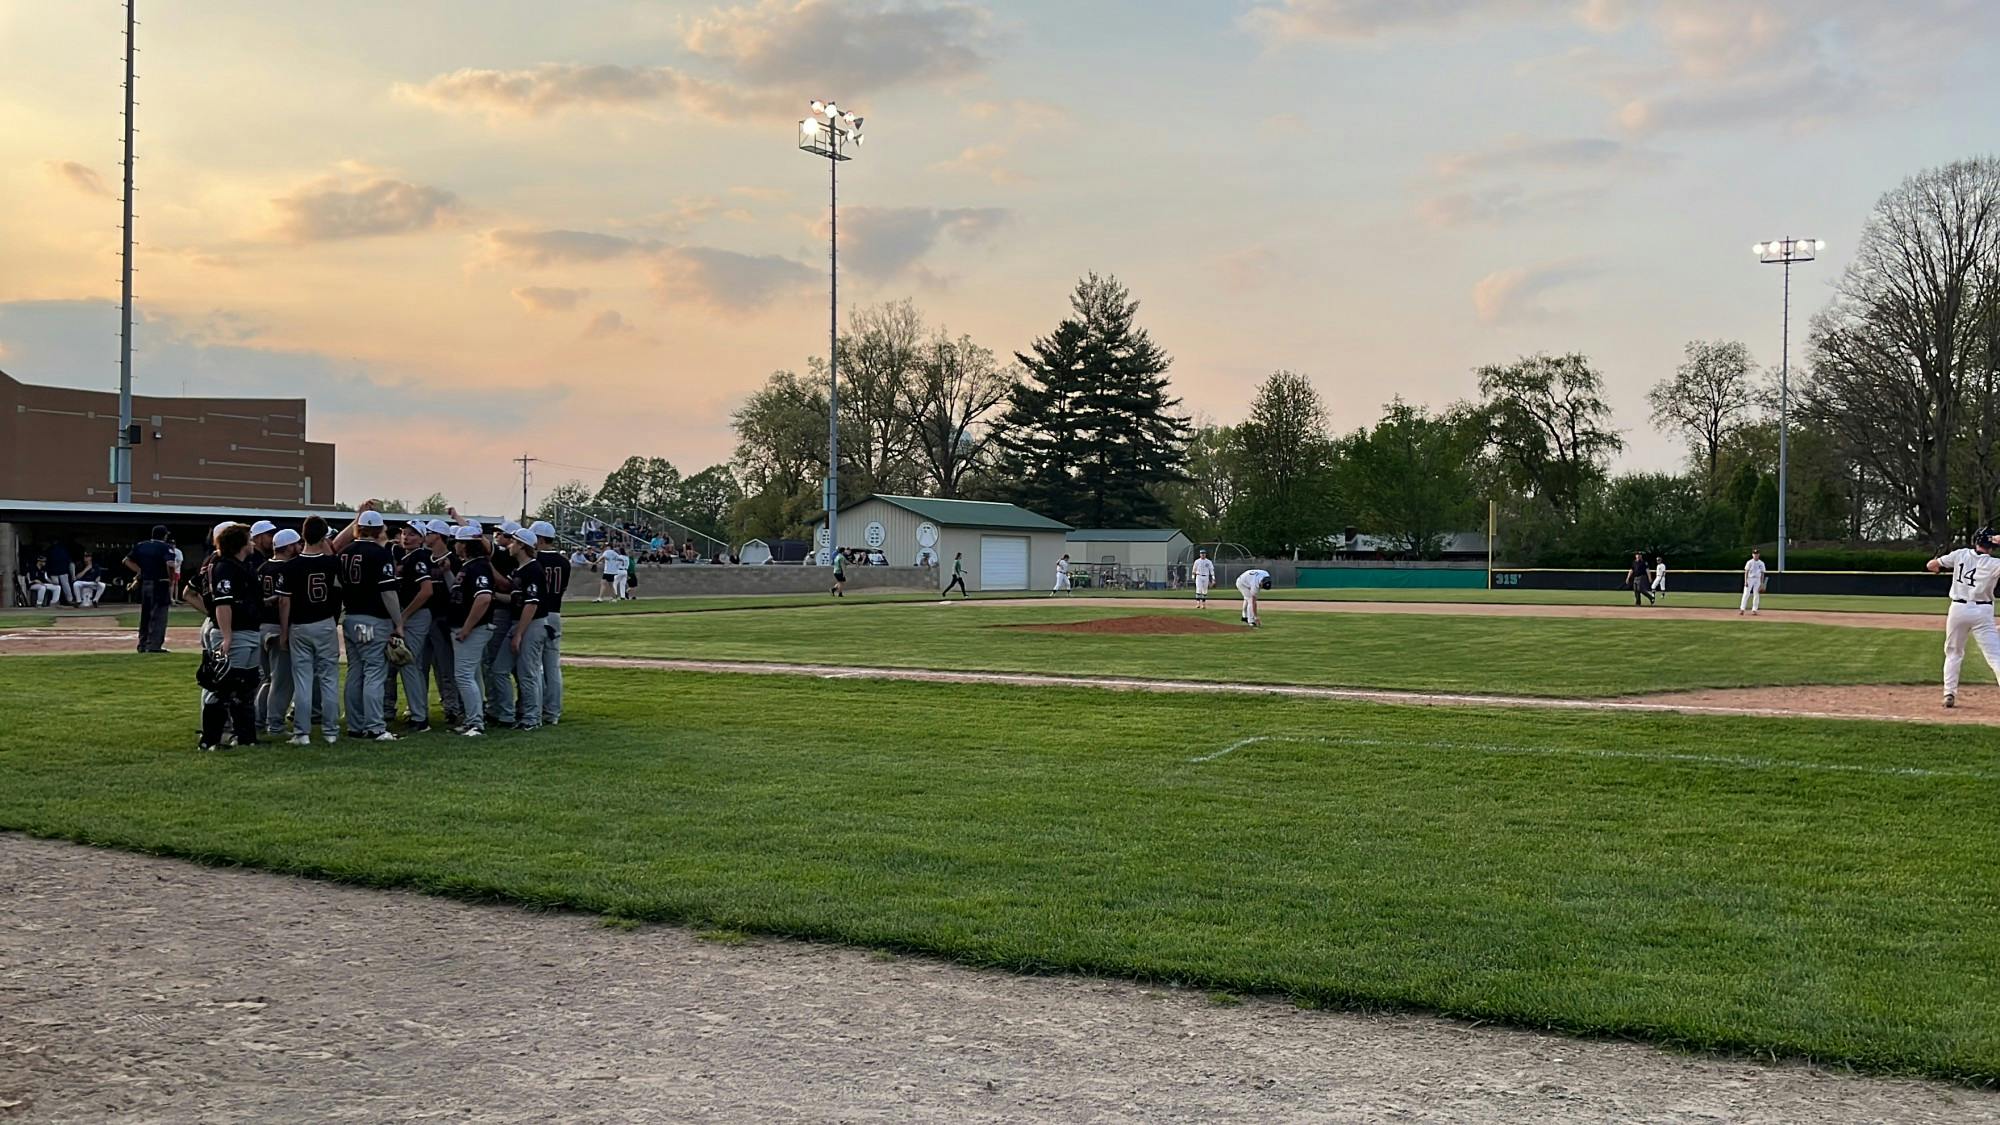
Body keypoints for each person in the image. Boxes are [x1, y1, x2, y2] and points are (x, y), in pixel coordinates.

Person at [335, 510, 404, 742]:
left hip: (351, 616)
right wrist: (399, 623)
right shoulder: (381, 554)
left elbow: (337, 585)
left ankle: (355, 725)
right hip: (374, 619)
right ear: (379, 529)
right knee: (375, 672)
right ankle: (375, 726)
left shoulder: (344, 552)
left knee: (355, 672)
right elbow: (388, 592)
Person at [196, 524, 265, 751]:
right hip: (235, 634)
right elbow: (222, 604)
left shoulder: (243, 566)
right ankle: (210, 740)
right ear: (240, 544)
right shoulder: (224, 567)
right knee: (224, 686)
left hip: (249, 631)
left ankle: (245, 737)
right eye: (249, 539)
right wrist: (227, 637)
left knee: (246, 686)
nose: (252, 543)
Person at [277, 516, 344, 746]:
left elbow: (284, 602)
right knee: (329, 679)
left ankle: (302, 733)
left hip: (299, 625)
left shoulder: (291, 566)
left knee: (303, 680)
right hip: (325, 622)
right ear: (324, 536)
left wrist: (284, 632)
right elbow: (339, 593)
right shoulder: (332, 563)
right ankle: (331, 731)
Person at [1927, 528, 2000, 709]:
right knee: (1995, 656)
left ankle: (1949, 693)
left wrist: (1937, 567)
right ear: (1992, 545)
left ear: (1975, 541)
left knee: (1953, 652)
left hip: (1958, 609)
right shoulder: (1995, 563)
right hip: (1983, 611)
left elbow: (1931, 565)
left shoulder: (1960, 554)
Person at [494, 527, 547, 730]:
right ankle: (507, 714)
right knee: (499, 670)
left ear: (522, 546)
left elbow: (531, 604)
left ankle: (532, 717)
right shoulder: (519, 570)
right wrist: (494, 595)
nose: (510, 545)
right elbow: (516, 599)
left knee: (527, 673)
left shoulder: (533, 569)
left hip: (530, 624)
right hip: (520, 623)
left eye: (514, 542)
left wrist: (518, 634)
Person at [447, 525, 497, 737]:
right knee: (471, 675)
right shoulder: (470, 565)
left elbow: (484, 598)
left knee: (464, 675)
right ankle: (474, 719)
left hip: (473, 628)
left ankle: (475, 722)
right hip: (468, 627)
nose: (455, 546)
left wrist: (467, 628)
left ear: (466, 544)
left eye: (458, 542)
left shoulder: (478, 566)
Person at [392, 519, 438, 732]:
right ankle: (418, 713)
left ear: (421, 538)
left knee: (408, 663)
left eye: (412, 534)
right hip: (411, 615)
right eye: (404, 533)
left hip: (416, 615)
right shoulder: (408, 557)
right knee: (412, 665)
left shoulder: (418, 557)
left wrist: (403, 616)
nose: (406, 537)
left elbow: (427, 591)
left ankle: (419, 717)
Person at [423, 520, 466, 730]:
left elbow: (456, 592)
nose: (425, 535)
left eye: (429, 532)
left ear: (438, 536)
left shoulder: (454, 560)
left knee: (445, 668)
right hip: (425, 619)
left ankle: (453, 708)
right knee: (424, 667)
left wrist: (448, 572)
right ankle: (422, 709)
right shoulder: (425, 558)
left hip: (444, 619)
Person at [258, 529, 300, 736]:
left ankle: (258, 721)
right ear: (289, 547)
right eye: (297, 544)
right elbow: (285, 601)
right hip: (277, 627)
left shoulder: (262, 567)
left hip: (261, 627)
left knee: (267, 679)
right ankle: (275, 724)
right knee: (282, 681)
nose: (299, 547)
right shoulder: (289, 568)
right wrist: (285, 633)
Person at [530, 521, 569, 727]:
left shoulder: (535, 560)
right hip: (555, 612)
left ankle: (535, 708)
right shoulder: (564, 562)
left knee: (534, 665)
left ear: (540, 539)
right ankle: (553, 711)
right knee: (552, 666)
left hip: (538, 613)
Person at [124, 525, 174, 652]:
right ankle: (154, 646)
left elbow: (126, 561)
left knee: (145, 615)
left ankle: (142, 644)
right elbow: (170, 564)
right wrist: (171, 579)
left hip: (145, 582)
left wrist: (141, 571)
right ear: (164, 536)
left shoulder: (141, 545)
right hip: (160, 582)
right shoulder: (165, 547)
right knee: (159, 615)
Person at [1740, 548, 1767, 616]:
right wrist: (1745, 581)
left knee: (1756, 594)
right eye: (1754, 554)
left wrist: (1762, 583)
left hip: (1757, 579)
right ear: (1752, 555)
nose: (1755, 555)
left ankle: (1754, 610)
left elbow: (1762, 573)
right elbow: (1746, 571)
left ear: (1759, 554)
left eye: (1757, 554)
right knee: (1746, 593)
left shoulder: (1761, 563)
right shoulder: (1749, 562)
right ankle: (1742, 609)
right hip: (1750, 578)